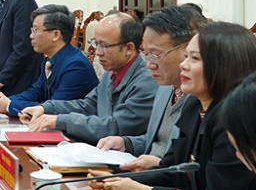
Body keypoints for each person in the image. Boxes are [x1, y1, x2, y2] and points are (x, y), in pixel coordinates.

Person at [94, 22, 256, 190]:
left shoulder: (234, 121)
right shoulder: (194, 105)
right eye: (186, 56)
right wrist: (117, 180)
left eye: (195, 58)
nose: (184, 64)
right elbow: (173, 171)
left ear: (225, 65)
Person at [21, 12, 157, 144]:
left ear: (128, 48)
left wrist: (59, 120)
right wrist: (45, 108)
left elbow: (114, 127)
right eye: (96, 44)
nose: (97, 52)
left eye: (104, 46)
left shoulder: (147, 80)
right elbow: (88, 105)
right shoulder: (111, 73)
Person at [97, 4, 205, 170]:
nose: (149, 65)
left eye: (155, 55)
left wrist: (157, 166)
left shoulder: (201, 98)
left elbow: (187, 165)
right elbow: (157, 141)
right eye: (146, 54)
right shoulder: (164, 88)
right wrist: (127, 143)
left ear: (186, 48)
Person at [0, 7, 97, 116]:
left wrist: (10, 105)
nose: (31, 36)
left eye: (35, 30)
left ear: (56, 35)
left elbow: (54, 108)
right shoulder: (49, 59)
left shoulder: (76, 66)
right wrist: (5, 100)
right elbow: (34, 93)